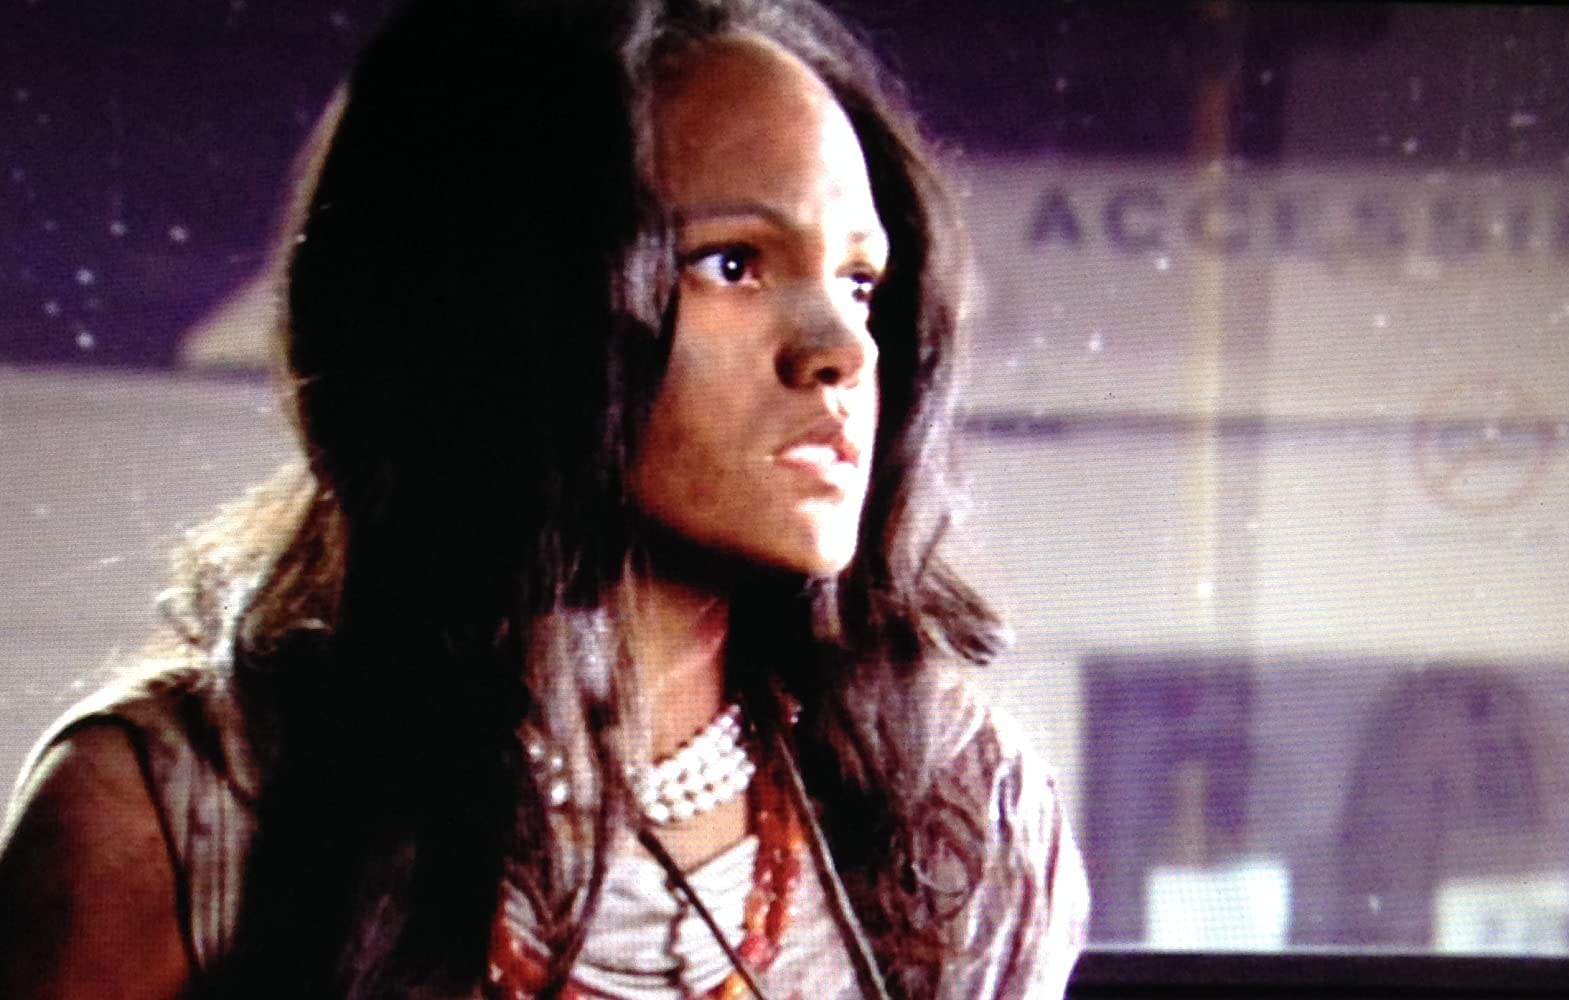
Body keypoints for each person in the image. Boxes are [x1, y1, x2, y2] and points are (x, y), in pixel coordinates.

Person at [0, 0, 1088, 997]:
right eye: (731, 264)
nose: (840, 348)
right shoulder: (176, 817)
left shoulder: (962, 828)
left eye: (858, 281)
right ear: (503, 303)